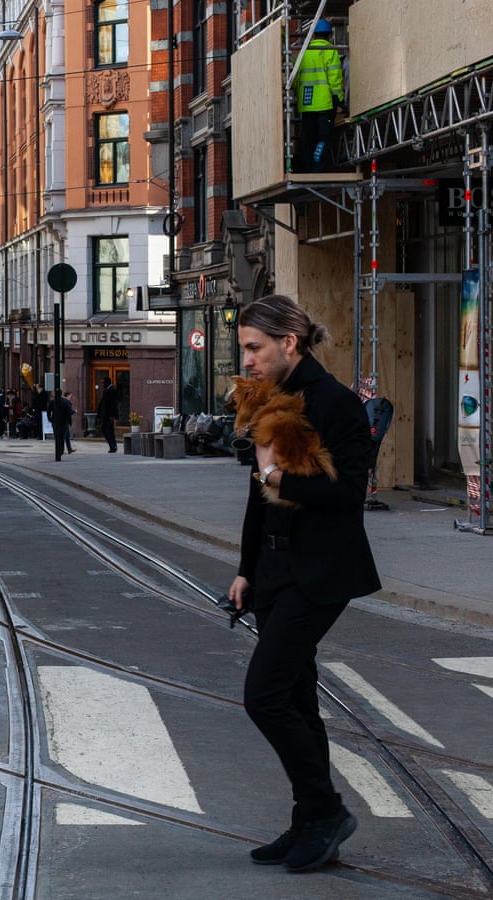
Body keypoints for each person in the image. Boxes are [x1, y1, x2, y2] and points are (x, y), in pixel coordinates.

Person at [227, 294, 380, 872]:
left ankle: (327, 810)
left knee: (264, 695)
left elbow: (348, 494)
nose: (246, 360)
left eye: (254, 348)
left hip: (319, 572)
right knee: (295, 698)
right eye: (244, 349)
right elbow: (257, 500)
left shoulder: (337, 404)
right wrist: (246, 569)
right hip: (272, 571)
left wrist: (274, 472)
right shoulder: (268, 399)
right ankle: (310, 820)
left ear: (288, 343)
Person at [293, 19, 345, 173]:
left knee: (308, 136)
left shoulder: (304, 52)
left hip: (306, 103)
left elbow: (295, 80)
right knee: (324, 137)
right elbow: (335, 78)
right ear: (329, 35)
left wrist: (299, 96)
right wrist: (339, 99)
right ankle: (318, 163)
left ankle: (307, 165)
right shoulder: (329, 51)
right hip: (324, 104)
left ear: (314, 35)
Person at [97, 377, 120, 453]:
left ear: (108, 382)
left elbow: (114, 404)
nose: (102, 384)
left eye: (104, 383)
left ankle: (112, 445)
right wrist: (99, 414)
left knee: (104, 429)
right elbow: (103, 403)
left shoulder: (112, 390)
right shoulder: (106, 390)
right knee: (110, 430)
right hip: (105, 415)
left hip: (108, 415)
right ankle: (113, 446)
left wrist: (112, 416)